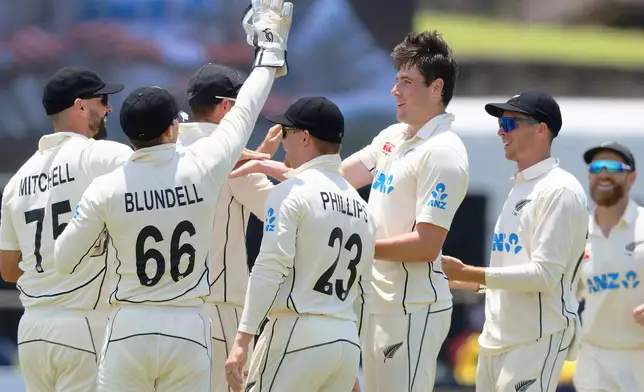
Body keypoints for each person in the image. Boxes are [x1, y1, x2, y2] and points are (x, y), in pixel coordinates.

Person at [52, 1, 293, 390]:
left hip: (128, 325)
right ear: (172, 127)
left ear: (127, 132)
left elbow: (63, 260)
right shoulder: (203, 167)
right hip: (188, 324)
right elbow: (245, 110)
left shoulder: (106, 186)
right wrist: (268, 54)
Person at [227, 30, 469, 392]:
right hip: (375, 300)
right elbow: (331, 177)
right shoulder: (394, 136)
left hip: (412, 305)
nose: (394, 90)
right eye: (396, 80)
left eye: (406, 81)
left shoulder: (444, 151)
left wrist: (342, 247)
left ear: (436, 88)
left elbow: (426, 245)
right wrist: (270, 165)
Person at [224, 96, 376, 392]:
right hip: (344, 338)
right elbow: (364, 289)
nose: (282, 142)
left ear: (304, 136)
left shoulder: (291, 193)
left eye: (285, 132)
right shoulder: (363, 207)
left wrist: (243, 340)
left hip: (297, 331)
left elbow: (269, 267)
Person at [441, 91, 589, 392]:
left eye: (510, 123)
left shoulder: (560, 190)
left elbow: (545, 276)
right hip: (496, 340)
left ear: (540, 129)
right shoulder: (520, 188)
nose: (500, 131)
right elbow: (512, 269)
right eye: (500, 123)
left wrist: (468, 273)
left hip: (535, 339)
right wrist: (460, 281)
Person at [0, 66, 132, 392]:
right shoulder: (100, 154)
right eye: (102, 100)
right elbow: (160, 166)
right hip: (85, 322)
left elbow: (8, 270)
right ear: (80, 106)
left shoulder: (17, 182)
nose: (108, 108)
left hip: (32, 330)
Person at [176, 62, 279, 392]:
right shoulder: (232, 162)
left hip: (169, 311)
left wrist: (257, 158)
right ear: (225, 107)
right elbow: (285, 212)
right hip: (219, 313)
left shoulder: (168, 150)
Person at [573, 142, 644, 392]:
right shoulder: (576, 233)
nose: (603, 173)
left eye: (613, 167)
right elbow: (561, 293)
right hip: (594, 359)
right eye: (596, 167)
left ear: (632, 177)